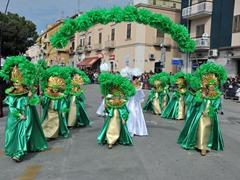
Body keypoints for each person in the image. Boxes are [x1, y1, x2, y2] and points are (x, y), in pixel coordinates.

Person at [1, 56, 48, 162]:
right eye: (14, 84)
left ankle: (19, 153)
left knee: (25, 132)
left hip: (27, 116)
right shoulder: (12, 95)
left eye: (18, 84)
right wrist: (19, 115)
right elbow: (12, 108)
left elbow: (35, 101)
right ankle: (17, 150)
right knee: (14, 134)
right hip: (15, 118)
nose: (15, 86)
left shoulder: (27, 92)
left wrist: (31, 96)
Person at [177, 62, 227, 156]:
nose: (211, 87)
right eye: (209, 86)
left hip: (210, 115)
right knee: (200, 128)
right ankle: (200, 145)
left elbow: (217, 106)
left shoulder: (217, 95)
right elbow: (196, 103)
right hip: (200, 114)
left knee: (207, 129)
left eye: (213, 86)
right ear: (207, 85)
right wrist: (202, 97)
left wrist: (209, 110)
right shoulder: (202, 93)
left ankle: (205, 146)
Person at [97, 72, 136, 149]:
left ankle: (116, 139)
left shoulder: (122, 102)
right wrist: (106, 107)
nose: (116, 98)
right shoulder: (110, 101)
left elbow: (125, 111)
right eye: (115, 96)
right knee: (111, 128)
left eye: (118, 97)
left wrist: (124, 118)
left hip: (119, 118)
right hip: (111, 118)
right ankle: (110, 141)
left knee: (118, 129)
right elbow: (108, 110)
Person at [40, 66, 70, 140]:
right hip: (49, 111)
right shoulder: (48, 95)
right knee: (47, 123)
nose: (55, 90)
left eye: (57, 88)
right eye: (54, 88)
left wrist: (63, 111)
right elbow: (44, 102)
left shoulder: (60, 95)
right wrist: (41, 98)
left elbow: (63, 104)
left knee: (55, 123)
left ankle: (53, 135)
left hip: (57, 112)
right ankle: (46, 134)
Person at [126, 68, 148, 137]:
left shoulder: (139, 86)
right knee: (131, 115)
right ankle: (130, 129)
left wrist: (140, 101)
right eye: (137, 78)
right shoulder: (129, 85)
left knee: (137, 115)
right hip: (130, 102)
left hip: (136, 103)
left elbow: (140, 95)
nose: (138, 80)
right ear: (134, 79)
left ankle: (137, 129)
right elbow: (127, 94)